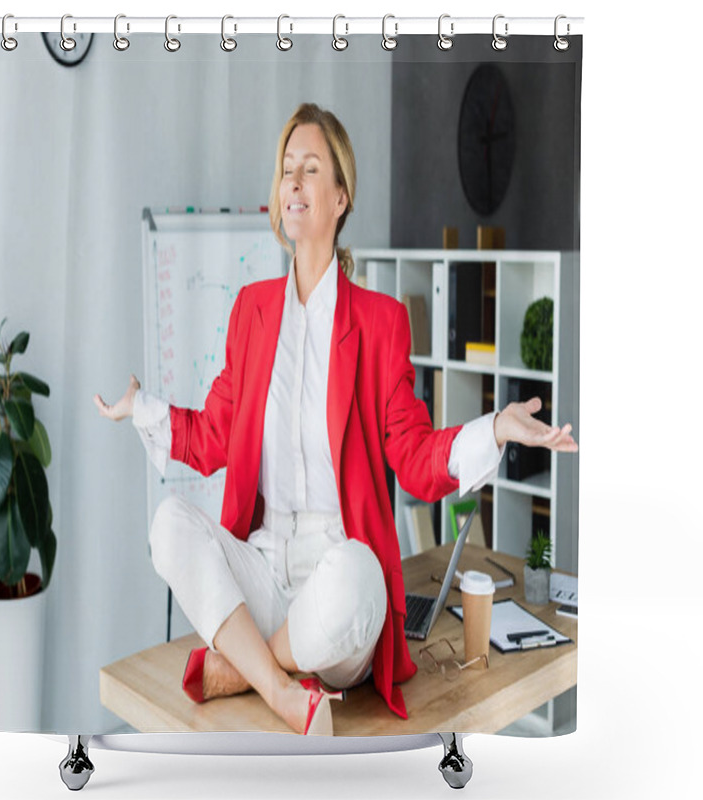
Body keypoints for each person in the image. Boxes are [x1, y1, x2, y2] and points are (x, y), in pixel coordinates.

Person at [94, 103, 577, 736]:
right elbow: (213, 435)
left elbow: (412, 453)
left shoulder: (377, 322)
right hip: (264, 568)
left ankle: (236, 668)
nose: (292, 182)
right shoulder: (251, 311)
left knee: (360, 574)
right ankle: (281, 687)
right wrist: (145, 409)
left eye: (310, 169)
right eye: (287, 169)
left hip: (334, 577)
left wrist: (494, 428)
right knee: (168, 525)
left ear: (340, 197)